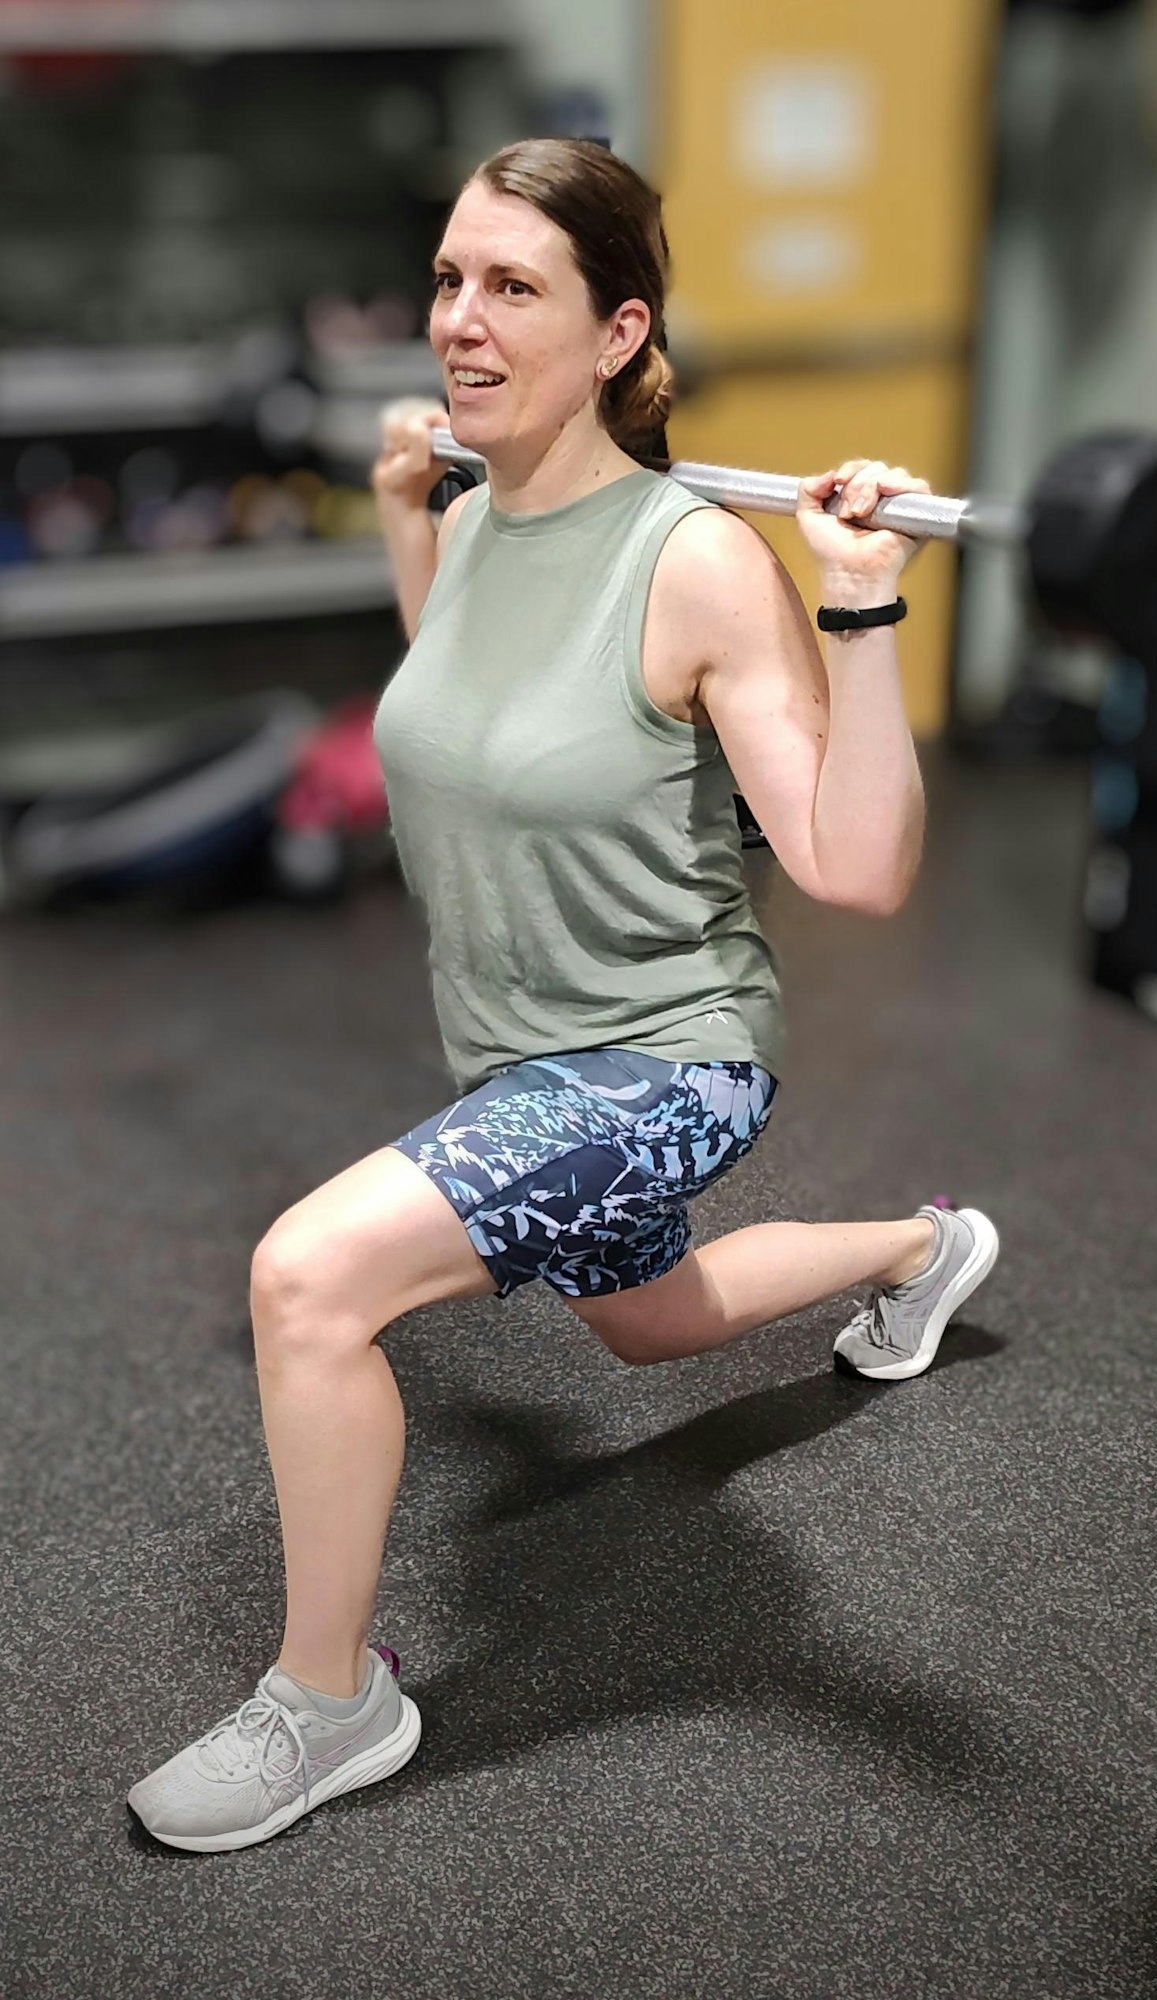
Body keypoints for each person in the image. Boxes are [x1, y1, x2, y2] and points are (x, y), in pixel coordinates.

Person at [128, 138, 999, 1853]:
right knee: (650, 1320)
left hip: (664, 1059)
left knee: (309, 1280)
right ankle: (922, 1246)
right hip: (521, 1058)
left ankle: (329, 1702)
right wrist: (402, 518)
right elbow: (458, 721)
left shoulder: (691, 560)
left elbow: (852, 865)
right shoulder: (470, 513)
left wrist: (863, 609)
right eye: (450, 279)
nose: (460, 319)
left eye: (512, 287)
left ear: (618, 332)